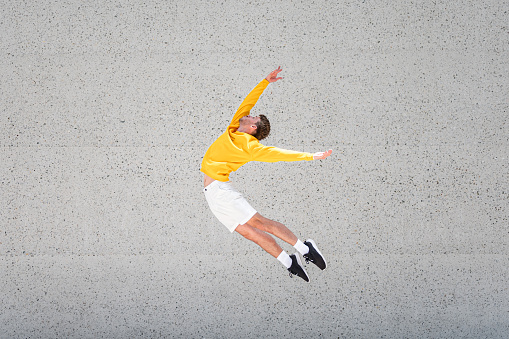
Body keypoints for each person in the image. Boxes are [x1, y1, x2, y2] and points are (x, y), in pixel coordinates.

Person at [201, 67, 332, 282]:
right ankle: (290, 262)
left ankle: (304, 248)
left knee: (259, 223)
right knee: (249, 233)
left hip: (220, 189)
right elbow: (248, 101)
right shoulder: (235, 127)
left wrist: (311, 156)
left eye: (253, 116)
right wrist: (265, 82)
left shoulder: (250, 146)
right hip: (211, 194)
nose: (249, 113)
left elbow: (279, 154)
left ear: (252, 126)